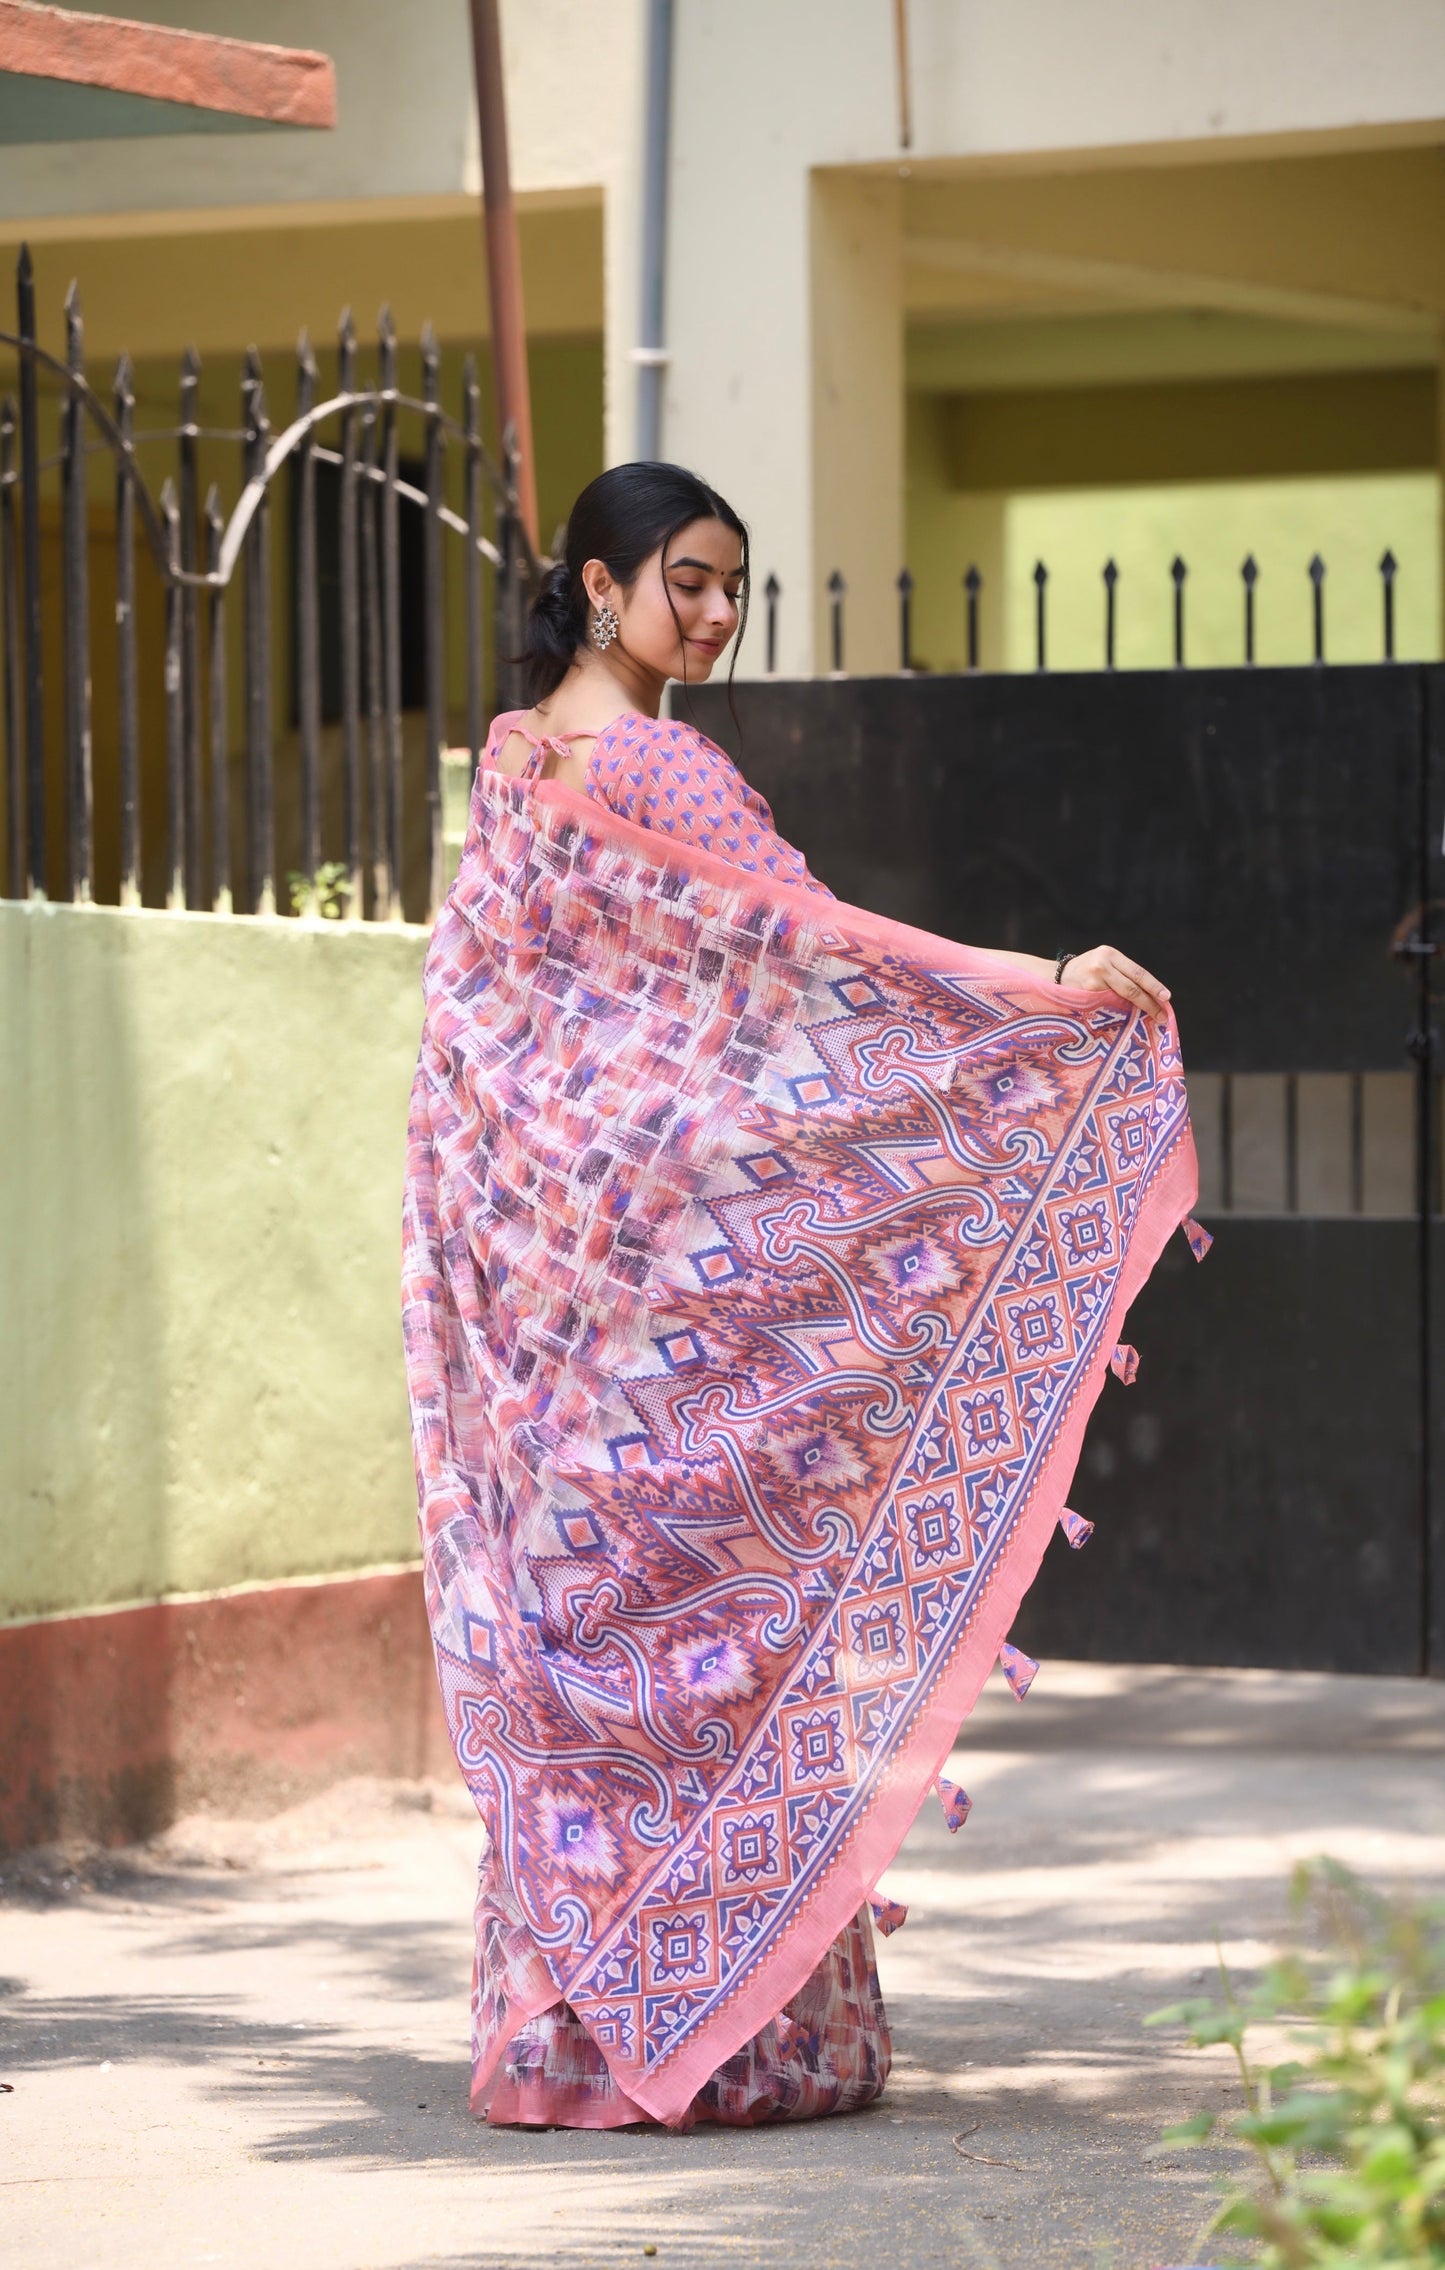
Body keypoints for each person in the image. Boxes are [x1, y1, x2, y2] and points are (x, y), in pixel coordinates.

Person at [402, 463, 1196, 2133]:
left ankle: (580, 2038)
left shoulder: (512, 766)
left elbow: (525, 1064)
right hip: (618, 1314)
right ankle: (739, 2039)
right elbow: (827, 960)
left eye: (730, 586)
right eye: (683, 579)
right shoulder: (644, 768)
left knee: (607, 1651)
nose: (710, 613)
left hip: (560, 1321)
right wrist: (1035, 994)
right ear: (600, 584)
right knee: (695, 1644)